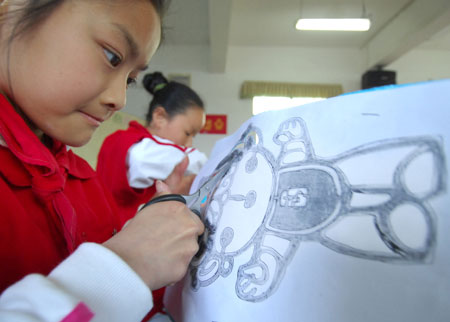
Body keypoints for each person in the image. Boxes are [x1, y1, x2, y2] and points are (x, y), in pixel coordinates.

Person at [0, 0, 204, 321]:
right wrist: (124, 266)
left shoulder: (81, 180)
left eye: (131, 79)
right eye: (112, 56)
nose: (119, 100)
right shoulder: (134, 146)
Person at [97, 71, 207, 318]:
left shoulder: (133, 144)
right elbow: (195, 160)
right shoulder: (137, 146)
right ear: (159, 117)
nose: (190, 142)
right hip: (129, 258)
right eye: (188, 133)